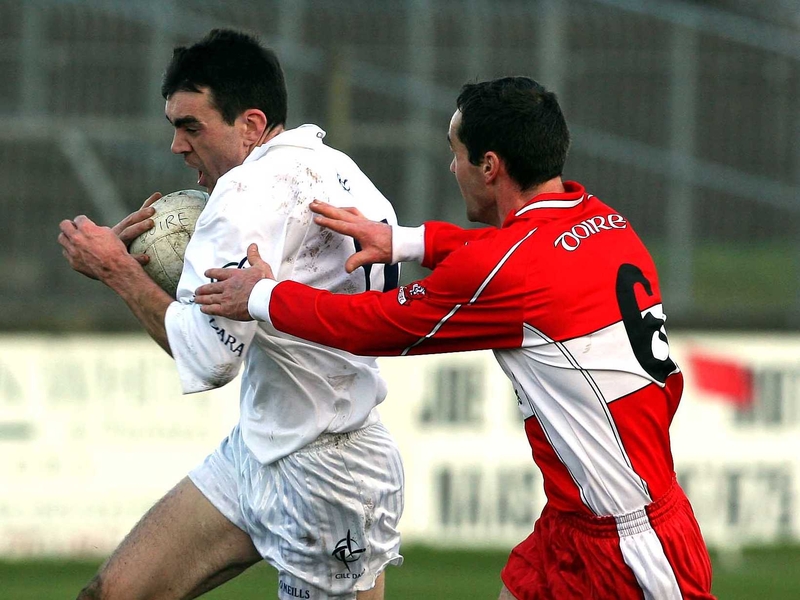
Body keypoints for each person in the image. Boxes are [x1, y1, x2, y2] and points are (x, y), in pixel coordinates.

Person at [194, 76, 716, 599]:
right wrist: (402, 241)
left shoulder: (509, 272)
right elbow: (507, 255)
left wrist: (261, 295)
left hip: (629, 544)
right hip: (572, 523)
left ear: (489, 167)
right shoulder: (601, 221)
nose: (451, 168)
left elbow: (367, 324)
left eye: (456, 153)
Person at [57, 29, 404, 600]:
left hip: (327, 475)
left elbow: (211, 357)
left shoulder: (243, 195)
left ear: (250, 124)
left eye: (191, 126)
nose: (177, 145)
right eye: (174, 125)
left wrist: (118, 271)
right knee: (115, 594)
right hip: (262, 448)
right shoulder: (344, 171)